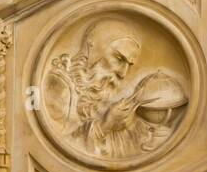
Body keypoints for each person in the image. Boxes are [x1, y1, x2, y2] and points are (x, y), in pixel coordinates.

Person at [44, 19, 188, 159]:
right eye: (119, 59)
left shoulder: (99, 91)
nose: (123, 73)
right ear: (95, 50)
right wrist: (105, 125)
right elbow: (54, 151)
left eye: (128, 65)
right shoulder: (59, 86)